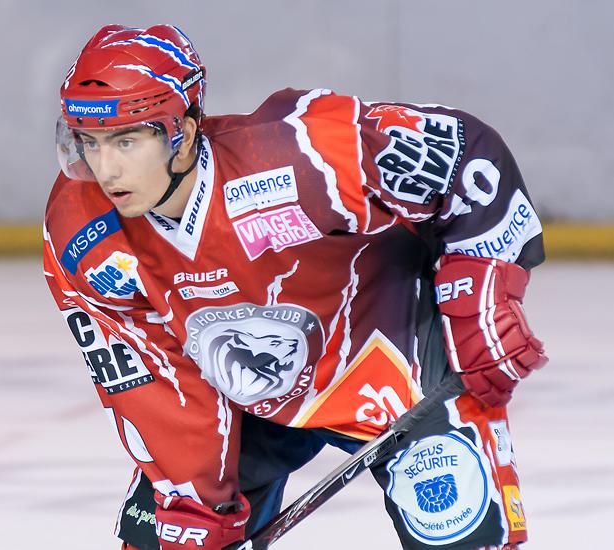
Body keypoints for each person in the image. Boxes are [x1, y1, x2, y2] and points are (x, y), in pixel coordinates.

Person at [43, 24, 547, 550]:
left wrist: (480, 299)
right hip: (246, 397)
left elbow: (465, 153)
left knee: (461, 534)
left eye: (125, 141)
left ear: (183, 134)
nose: (105, 169)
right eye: (89, 142)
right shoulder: (81, 229)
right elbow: (151, 374)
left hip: (393, 367)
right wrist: (195, 498)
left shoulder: (299, 152)